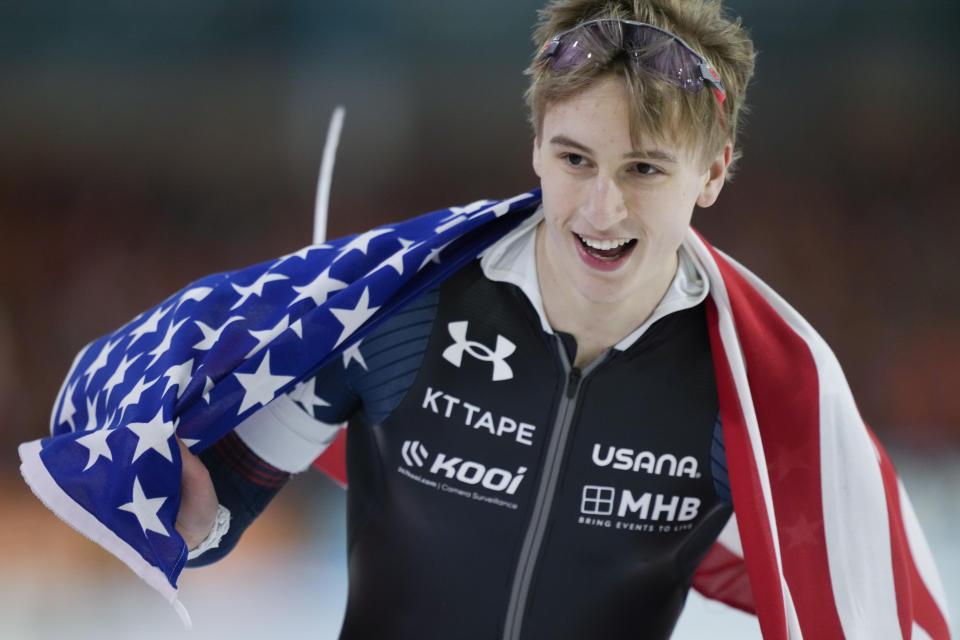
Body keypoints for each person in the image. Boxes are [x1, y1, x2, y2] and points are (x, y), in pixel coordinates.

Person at [19, 0, 950, 638]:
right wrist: (193, 515)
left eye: (645, 170)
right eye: (576, 159)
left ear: (712, 174)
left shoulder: (753, 389)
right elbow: (226, 502)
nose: (602, 209)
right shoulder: (402, 314)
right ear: (535, 149)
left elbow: (851, 591)